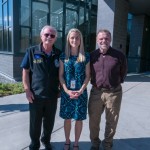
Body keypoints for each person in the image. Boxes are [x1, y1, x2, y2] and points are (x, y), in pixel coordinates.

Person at [20, 25, 61, 150]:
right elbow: (25, 72)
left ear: (55, 39)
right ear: (41, 36)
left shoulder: (59, 54)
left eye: (52, 35)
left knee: (49, 122)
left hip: (52, 95)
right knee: (35, 123)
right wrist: (27, 90)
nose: (49, 37)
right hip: (35, 95)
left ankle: (46, 141)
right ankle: (34, 144)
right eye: (46, 34)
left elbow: (62, 74)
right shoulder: (31, 51)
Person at [88, 29, 127, 150]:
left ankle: (107, 144)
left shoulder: (119, 55)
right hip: (96, 92)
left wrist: (115, 83)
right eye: (101, 38)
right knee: (93, 120)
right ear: (97, 40)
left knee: (112, 121)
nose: (103, 40)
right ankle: (95, 143)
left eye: (106, 38)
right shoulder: (92, 56)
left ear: (110, 39)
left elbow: (123, 72)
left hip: (113, 92)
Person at [59, 28, 90, 150]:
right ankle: (67, 141)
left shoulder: (85, 56)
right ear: (68, 39)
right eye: (72, 37)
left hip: (81, 93)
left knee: (78, 119)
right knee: (67, 118)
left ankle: (76, 143)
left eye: (77, 37)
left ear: (80, 40)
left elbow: (88, 76)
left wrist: (81, 89)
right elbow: (60, 76)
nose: (74, 40)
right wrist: (66, 90)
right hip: (67, 93)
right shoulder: (63, 56)